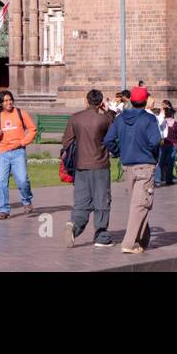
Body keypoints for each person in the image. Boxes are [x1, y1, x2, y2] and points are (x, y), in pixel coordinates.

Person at [104, 85, 162, 254]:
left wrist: (119, 152)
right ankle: (129, 243)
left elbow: (108, 140)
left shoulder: (120, 118)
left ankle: (143, 239)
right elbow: (154, 141)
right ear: (144, 102)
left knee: (138, 203)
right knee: (141, 204)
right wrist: (153, 156)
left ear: (131, 101)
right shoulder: (149, 119)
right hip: (145, 165)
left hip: (128, 166)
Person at [63, 89, 116, 248]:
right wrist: (108, 112)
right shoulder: (105, 119)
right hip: (100, 165)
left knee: (81, 200)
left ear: (86, 101)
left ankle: (75, 225)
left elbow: (66, 141)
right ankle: (101, 235)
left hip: (81, 165)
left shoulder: (75, 118)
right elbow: (113, 136)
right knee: (102, 199)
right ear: (101, 103)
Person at [0, 89, 36, 219]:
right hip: (3, 152)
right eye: (6, 101)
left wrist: (23, 142)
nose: (9, 103)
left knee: (22, 180)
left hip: (18, 152)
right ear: (1, 103)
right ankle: (4, 210)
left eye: (10, 100)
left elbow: (32, 130)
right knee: (1, 181)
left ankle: (26, 200)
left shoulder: (20, 113)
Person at [155, 105, 177, 187]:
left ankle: (157, 179)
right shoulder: (175, 124)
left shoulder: (162, 122)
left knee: (160, 162)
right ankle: (169, 179)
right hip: (173, 144)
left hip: (163, 144)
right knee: (170, 163)